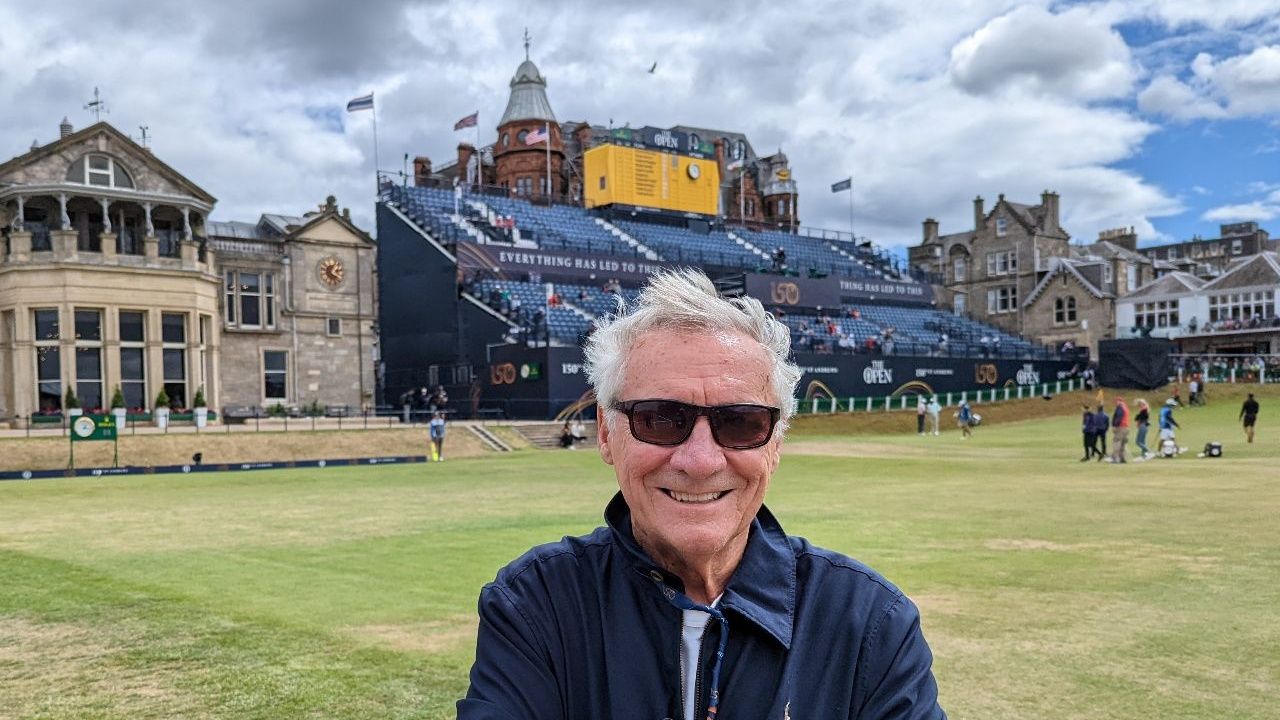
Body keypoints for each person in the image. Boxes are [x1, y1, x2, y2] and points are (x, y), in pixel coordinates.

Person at [459, 269, 945, 719]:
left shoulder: (869, 624)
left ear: (775, 444)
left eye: (741, 423)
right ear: (606, 434)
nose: (701, 460)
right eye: (661, 419)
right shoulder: (537, 605)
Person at [1109, 396, 1130, 464]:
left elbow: (1118, 417)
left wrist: (1115, 426)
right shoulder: (1125, 407)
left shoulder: (1120, 408)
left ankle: (1115, 458)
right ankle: (1122, 458)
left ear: (1120, 401)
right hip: (1126, 427)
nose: (1116, 403)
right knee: (1123, 444)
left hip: (1120, 427)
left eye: (1117, 401)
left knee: (1116, 442)